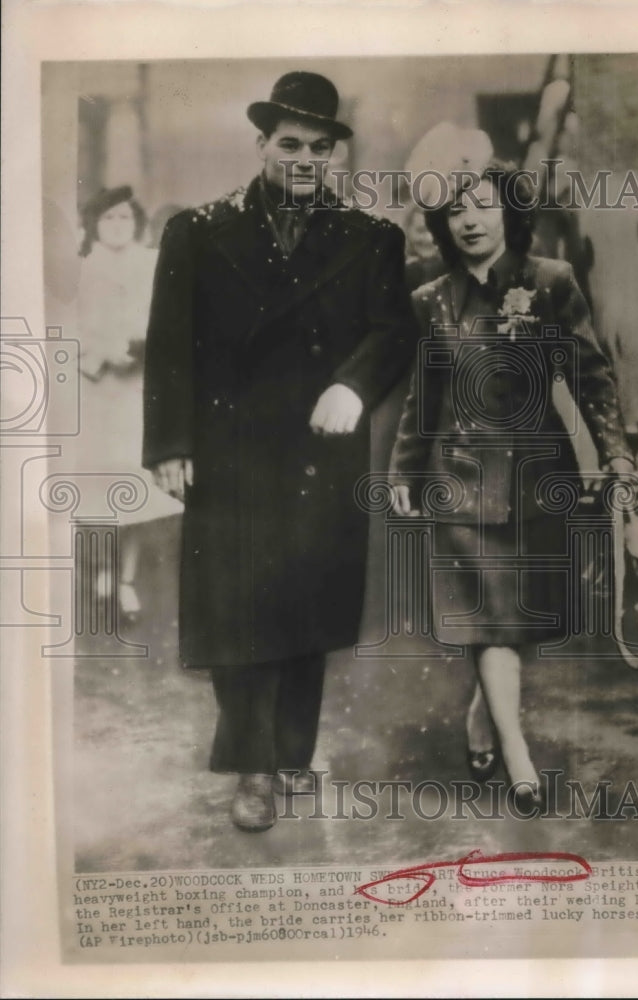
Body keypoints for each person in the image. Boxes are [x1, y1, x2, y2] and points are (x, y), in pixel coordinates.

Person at [142, 72, 417, 832]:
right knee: (236, 618)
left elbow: (394, 331)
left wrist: (354, 388)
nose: (304, 159)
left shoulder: (373, 238)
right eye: (289, 144)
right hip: (229, 453)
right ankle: (253, 770)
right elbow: (169, 347)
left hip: (320, 451)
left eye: (320, 148)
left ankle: (293, 757)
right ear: (261, 144)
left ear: (335, 155)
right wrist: (168, 444)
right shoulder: (196, 231)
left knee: (305, 613)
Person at [389, 140, 634, 805]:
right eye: (456, 212)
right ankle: (517, 754)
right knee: (490, 621)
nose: (469, 221)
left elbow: (591, 373)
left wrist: (615, 454)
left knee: (515, 623)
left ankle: (482, 712)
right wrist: (403, 469)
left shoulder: (550, 279)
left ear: (507, 211)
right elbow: (424, 395)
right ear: (442, 225)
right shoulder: (433, 298)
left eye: (483, 206)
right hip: (460, 480)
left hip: (534, 477)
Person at [76, 185, 182, 620]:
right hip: (94, 389)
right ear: (94, 224)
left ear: (136, 223)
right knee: (98, 486)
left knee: (135, 489)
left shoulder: (153, 265)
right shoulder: (79, 269)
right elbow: (66, 324)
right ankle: (102, 569)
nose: (117, 226)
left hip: (137, 390)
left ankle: (126, 581)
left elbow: (168, 320)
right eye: (108, 219)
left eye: (124, 218)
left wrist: (139, 350)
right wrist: (98, 356)